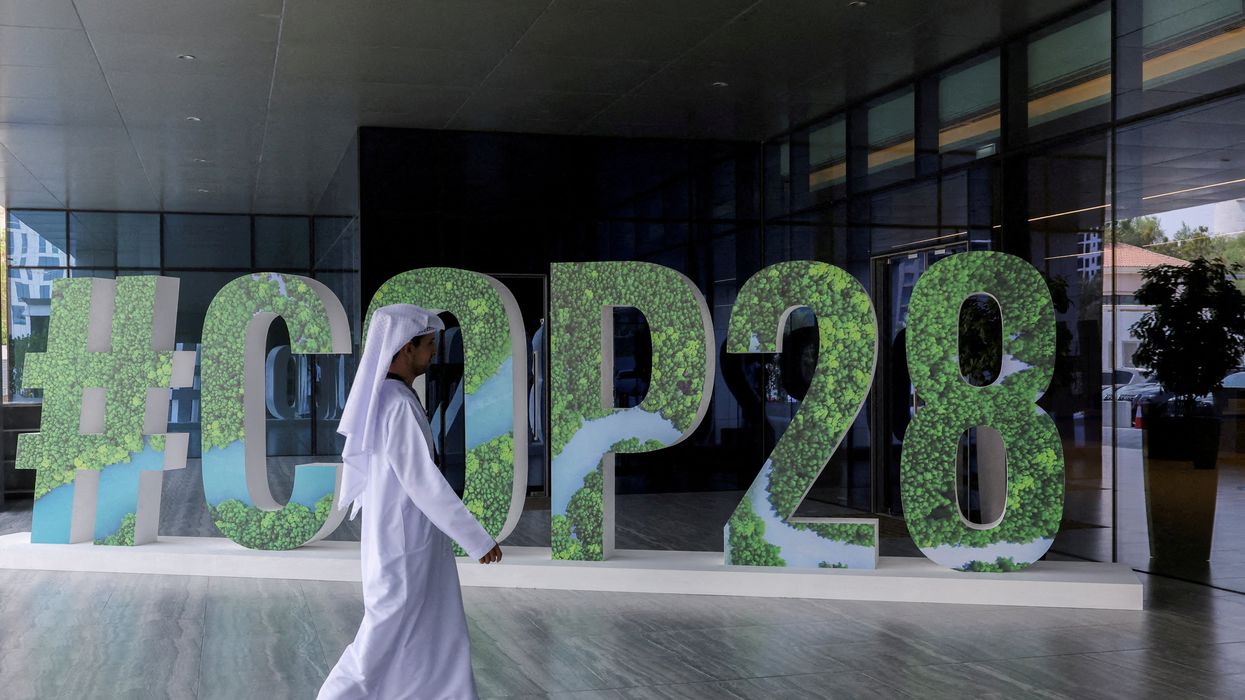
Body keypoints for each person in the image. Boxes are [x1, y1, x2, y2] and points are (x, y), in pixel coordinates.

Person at [319, 304, 503, 700]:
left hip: (407, 540)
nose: (434, 352)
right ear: (406, 348)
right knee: (379, 640)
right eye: (429, 344)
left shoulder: (389, 397)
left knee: (433, 631)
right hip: (403, 547)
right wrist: (477, 540)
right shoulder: (398, 403)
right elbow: (423, 481)